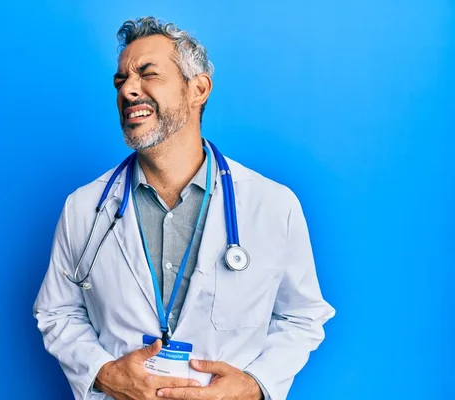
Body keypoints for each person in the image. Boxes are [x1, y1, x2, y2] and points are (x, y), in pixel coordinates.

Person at [33, 16, 335, 400]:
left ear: (198, 89)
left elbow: (302, 316)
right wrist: (103, 373)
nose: (128, 90)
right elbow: (56, 312)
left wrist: (255, 384)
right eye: (121, 80)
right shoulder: (85, 207)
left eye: (148, 74)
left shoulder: (272, 204)